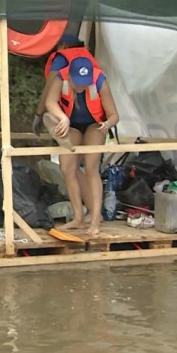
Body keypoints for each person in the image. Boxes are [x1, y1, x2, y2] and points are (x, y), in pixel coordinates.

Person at [43, 56, 119, 235]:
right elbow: (49, 102)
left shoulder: (100, 80)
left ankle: (95, 220)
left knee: (92, 168)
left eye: (84, 83)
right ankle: (78, 217)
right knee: (67, 168)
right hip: (72, 125)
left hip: (95, 125)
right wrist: (62, 118)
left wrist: (107, 125)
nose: (80, 87)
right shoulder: (60, 78)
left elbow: (114, 115)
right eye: (77, 82)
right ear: (69, 76)